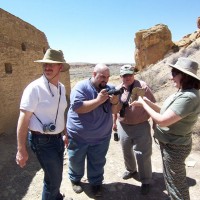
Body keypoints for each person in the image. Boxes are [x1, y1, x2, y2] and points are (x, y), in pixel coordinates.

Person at [131, 57, 200, 200]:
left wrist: (143, 105)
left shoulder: (188, 97)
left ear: (184, 76)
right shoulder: (183, 92)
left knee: (177, 186)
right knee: (171, 181)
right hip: (170, 144)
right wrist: (148, 103)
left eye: (174, 73)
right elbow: (167, 113)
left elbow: (162, 121)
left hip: (174, 147)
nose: (170, 77)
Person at [15, 48, 72, 200]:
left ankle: (56, 197)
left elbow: (60, 114)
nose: (47, 67)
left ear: (60, 67)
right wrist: (21, 150)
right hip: (41, 141)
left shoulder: (61, 88)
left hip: (57, 139)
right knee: (53, 180)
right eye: (45, 64)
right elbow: (23, 119)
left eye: (52, 64)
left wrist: (64, 133)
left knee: (56, 175)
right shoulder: (35, 88)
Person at [66, 63, 119, 197]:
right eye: (102, 76)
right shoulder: (81, 87)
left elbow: (115, 111)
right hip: (79, 136)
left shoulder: (110, 89)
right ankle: (75, 180)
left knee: (98, 161)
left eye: (107, 77)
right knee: (76, 160)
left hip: (101, 137)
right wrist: (99, 100)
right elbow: (78, 108)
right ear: (94, 74)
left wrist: (115, 102)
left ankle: (95, 183)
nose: (105, 80)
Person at [112, 64, 156, 195]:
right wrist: (114, 123)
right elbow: (115, 108)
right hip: (123, 126)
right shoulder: (118, 89)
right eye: (125, 75)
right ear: (121, 77)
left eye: (130, 74)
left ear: (133, 75)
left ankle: (146, 180)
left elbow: (152, 104)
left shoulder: (142, 86)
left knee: (142, 154)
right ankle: (131, 170)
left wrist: (155, 123)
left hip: (141, 125)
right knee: (126, 150)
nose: (127, 77)